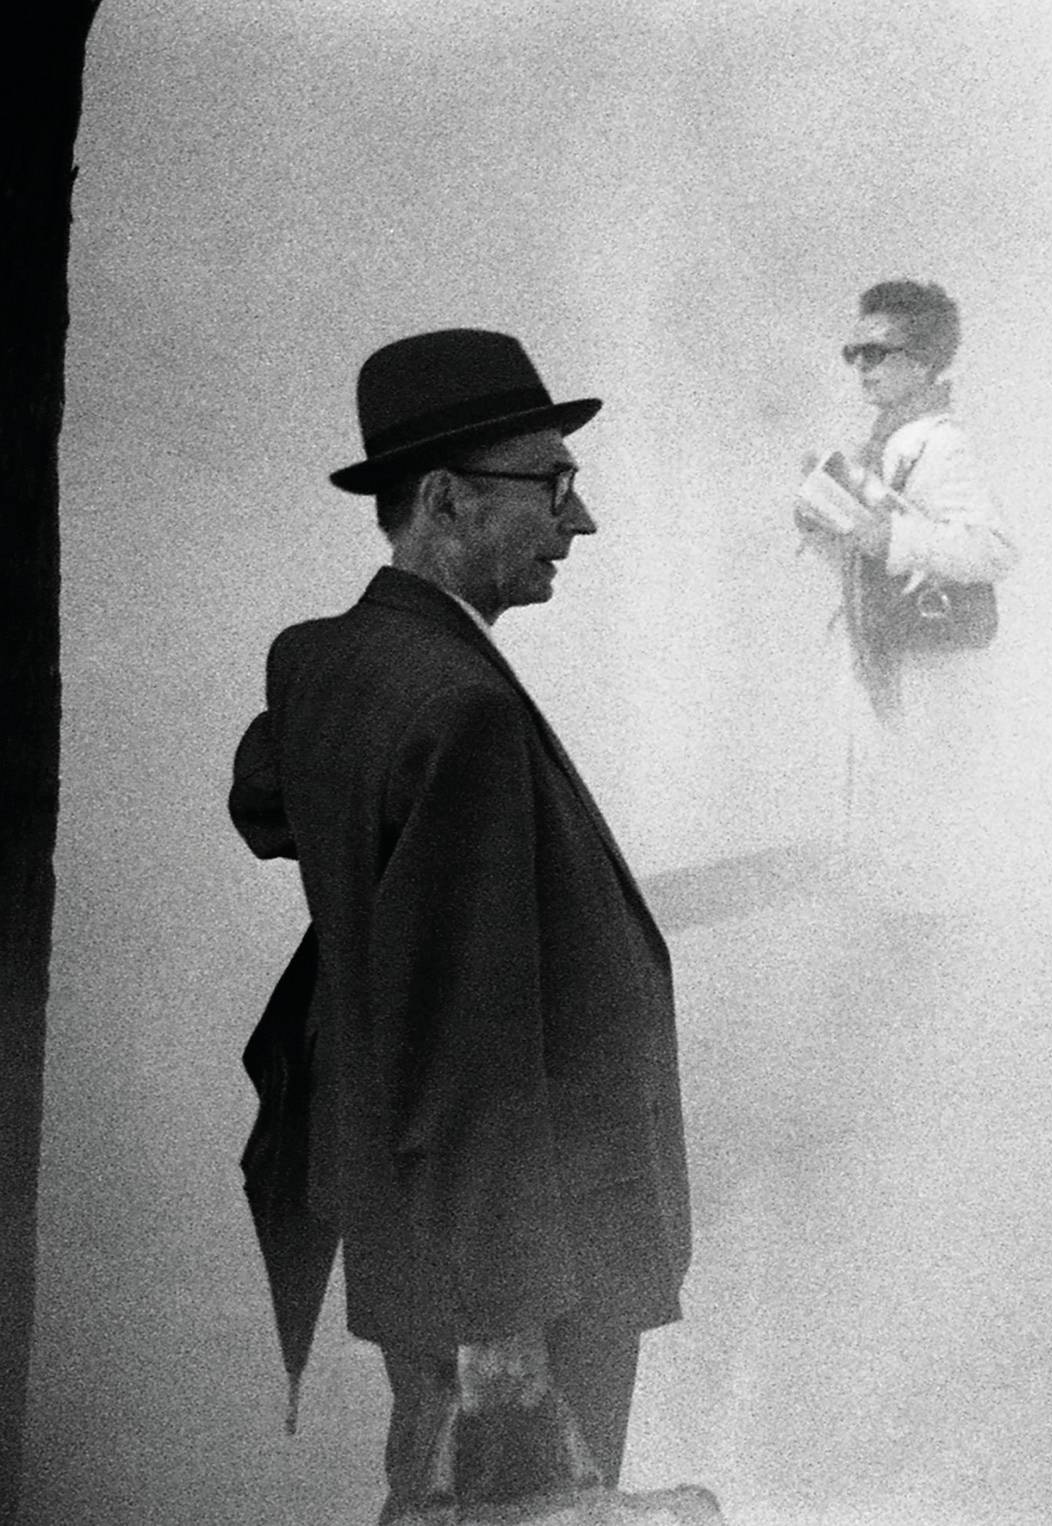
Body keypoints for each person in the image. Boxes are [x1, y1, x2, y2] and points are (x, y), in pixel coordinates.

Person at [227, 329, 691, 1520]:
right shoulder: (459, 705)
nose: (577, 522)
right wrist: (504, 1329)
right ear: (443, 497)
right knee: (522, 1509)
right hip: (524, 1270)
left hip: (420, 1228)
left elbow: (268, 797)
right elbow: (466, 1043)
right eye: (553, 485)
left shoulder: (327, 662)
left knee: (435, 1503)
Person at [797, 278, 1018, 924]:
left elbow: (994, 548)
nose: (860, 367)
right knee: (885, 827)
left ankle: (910, 957)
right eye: (853, 354)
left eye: (877, 353)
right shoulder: (887, 441)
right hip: (887, 664)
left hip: (926, 673)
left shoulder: (943, 443)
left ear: (921, 363)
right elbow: (869, 562)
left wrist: (887, 534)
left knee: (919, 839)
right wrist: (821, 524)